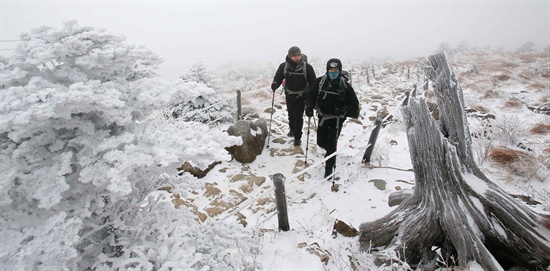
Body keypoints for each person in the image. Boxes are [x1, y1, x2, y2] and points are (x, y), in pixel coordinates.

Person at [305, 58, 359, 180]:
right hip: (322, 117)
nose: (333, 72)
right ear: (327, 70)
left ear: (339, 70)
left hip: (337, 120)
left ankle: (329, 170)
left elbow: (355, 108)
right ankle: (330, 154)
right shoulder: (320, 82)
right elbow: (311, 96)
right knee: (320, 141)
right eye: (330, 69)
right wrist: (308, 107)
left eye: (335, 70)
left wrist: (344, 110)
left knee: (331, 144)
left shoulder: (345, 86)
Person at [271, 46, 316, 146]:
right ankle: (292, 129)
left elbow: (313, 82)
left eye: (298, 55)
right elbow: (278, 77)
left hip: (302, 95)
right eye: (294, 56)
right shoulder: (284, 66)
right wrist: (275, 84)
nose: (297, 57)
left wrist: (312, 96)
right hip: (289, 94)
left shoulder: (307, 67)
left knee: (298, 116)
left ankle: (297, 137)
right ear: (290, 56)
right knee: (291, 114)